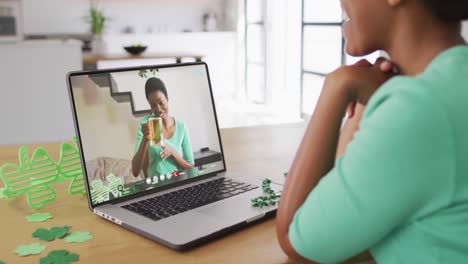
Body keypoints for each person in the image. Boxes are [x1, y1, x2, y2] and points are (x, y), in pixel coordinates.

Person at [276, 0, 468, 263]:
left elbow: (299, 242)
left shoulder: (421, 107)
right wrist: (370, 104)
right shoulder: (449, 83)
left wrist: (337, 87)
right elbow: (342, 220)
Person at [132, 77, 194, 179]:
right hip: (157, 185)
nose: (158, 109)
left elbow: (191, 167)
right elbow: (135, 172)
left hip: (177, 181)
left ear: (167, 99)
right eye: (153, 105)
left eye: (161, 103)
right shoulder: (148, 123)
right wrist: (145, 139)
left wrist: (173, 153)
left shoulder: (181, 127)